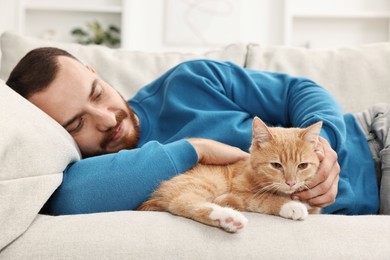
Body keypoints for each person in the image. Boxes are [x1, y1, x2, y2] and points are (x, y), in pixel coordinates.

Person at [5, 47, 387, 216]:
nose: (104, 118)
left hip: (373, 140)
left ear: (94, 72)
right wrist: (194, 147)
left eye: (97, 93)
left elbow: (299, 91)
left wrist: (326, 148)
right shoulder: (103, 176)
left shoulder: (190, 80)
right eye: (77, 123)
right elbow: (65, 198)